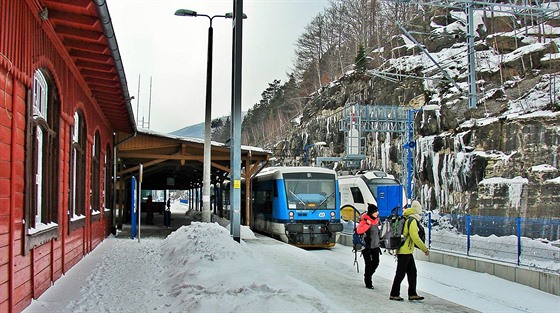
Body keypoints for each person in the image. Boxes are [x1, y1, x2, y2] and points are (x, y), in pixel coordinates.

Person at [389, 200, 429, 301]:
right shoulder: (412, 220)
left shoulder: (408, 217)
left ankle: (412, 293)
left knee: (412, 272)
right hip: (404, 251)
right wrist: (424, 249)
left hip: (406, 250)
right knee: (401, 273)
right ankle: (394, 293)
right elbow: (415, 237)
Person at [356, 203, 382, 289]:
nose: (377, 213)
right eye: (375, 211)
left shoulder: (377, 221)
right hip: (366, 247)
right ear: (371, 212)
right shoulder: (365, 220)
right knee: (369, 264)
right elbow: (359, 231)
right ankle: (368, 282)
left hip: (375, 246)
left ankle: (368, 275)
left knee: (376, 263)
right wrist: (367, 224)